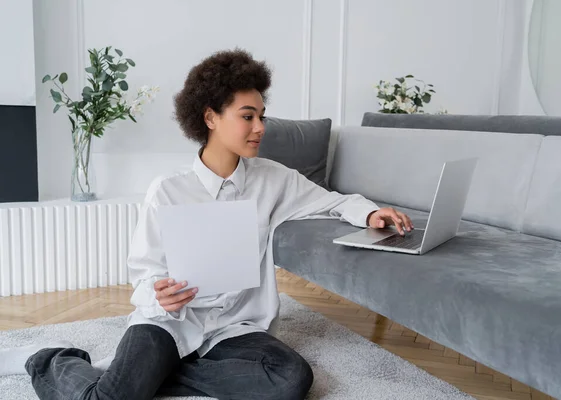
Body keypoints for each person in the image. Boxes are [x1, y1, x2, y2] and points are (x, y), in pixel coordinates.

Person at [1, 48, 413, 400]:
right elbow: (143, 275)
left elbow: (333, 202)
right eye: (247, 116)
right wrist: (158, 296)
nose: (260, 128)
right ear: (211, 117)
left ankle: (155, 376)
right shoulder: (168, 190)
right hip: (170, 322)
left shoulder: (273, 179)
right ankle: (48, 357)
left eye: (262, 116)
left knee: (290, 381)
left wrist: (371, 213)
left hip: (234, 328)